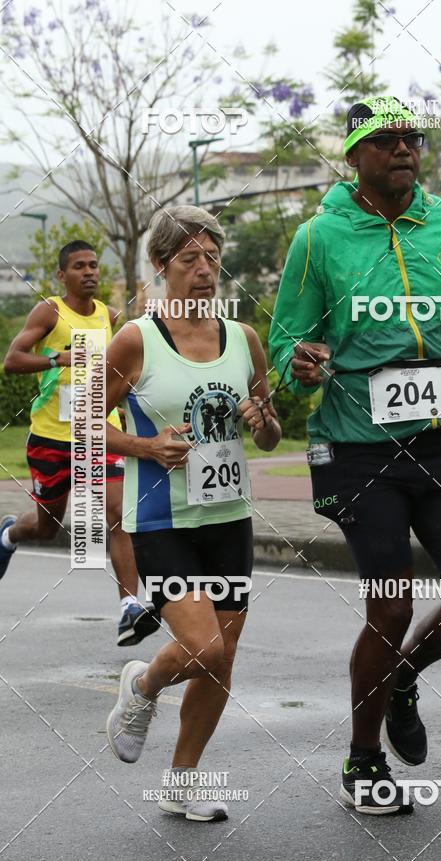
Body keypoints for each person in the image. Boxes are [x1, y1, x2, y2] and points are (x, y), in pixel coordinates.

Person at [269, 96, 441, 815]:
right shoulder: (318, 239)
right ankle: (364, 759)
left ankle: (402, 677)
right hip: (357, 448)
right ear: (355, 156)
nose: (404, 150)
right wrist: (298, 363)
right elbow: (284, 341)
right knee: (391, 604)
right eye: (387, 141)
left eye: (413, 140)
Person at [104, 206, 281, 822]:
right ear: (161, 267)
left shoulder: (244, 338)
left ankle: (182, 781)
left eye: (211, 257)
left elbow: (266, 433)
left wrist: (264, 422)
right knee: (203, 649)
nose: (205, 270)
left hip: (229, 516)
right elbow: (83, 426)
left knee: (222, 657)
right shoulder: (137, 338)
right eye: (189, 260)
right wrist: (146, 447)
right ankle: (143, 684)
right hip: (162, 519)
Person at [0, 240, 155, 647]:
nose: (89, 272)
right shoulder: (50, 311)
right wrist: (58, 360)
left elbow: (125, 372)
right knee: (47, 527)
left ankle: (128, 607)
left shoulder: (111, 316)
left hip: (98, 432)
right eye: (79, 266)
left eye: (93, 265)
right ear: (62, 275)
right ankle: (9, 534)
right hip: (51, 438)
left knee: (118, 511)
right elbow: (12, 360)